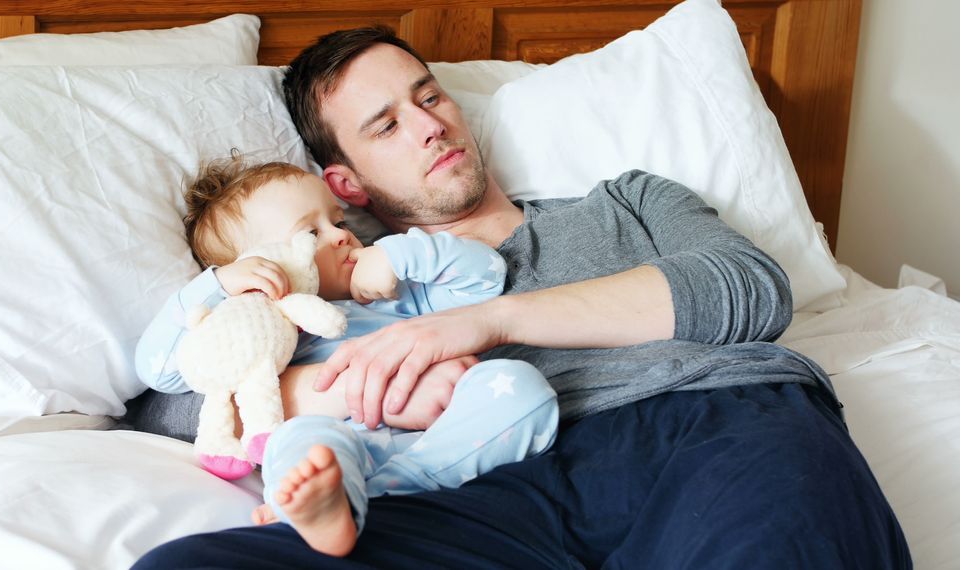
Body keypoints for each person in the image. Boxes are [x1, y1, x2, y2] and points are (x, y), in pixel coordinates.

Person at [133, 27, 911, 569]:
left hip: (702, 430)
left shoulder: (625, 201)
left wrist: (491, 319)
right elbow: (185, 398)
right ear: (346, 184)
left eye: (429, 97)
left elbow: (749, 290)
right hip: (464, 486)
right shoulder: (341, 287)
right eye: (387, 124)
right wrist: (335, 385)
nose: (429, 127)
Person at [134, 156, 558, 557]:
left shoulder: (390, 294)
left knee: (524, 388)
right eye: (311, 233)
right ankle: (319, 504)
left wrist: (399, 256)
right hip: (338, 444)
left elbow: (487, 278)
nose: (342, 235)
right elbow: (158, 371)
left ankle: (387, 490)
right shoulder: (256, 332)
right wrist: (220, 286)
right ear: (255, 266)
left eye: (337, 220)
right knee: (300, 445)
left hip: (437, 442)